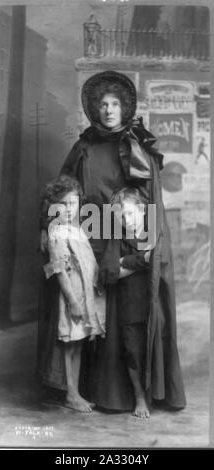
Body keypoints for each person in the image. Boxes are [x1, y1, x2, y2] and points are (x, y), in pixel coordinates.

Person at [39, 70, 186, 411]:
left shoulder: (136, 144)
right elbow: (60, 192)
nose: (108, 110)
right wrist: (48, 228)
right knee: (84, 314)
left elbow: (151, 201)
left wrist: (145, 248)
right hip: (87, 237)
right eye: (102, 104)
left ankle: (131, 395)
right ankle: (84, 390)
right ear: (95, 108)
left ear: (125, 108)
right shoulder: (84, 146)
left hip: (127, 237)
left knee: (128, 318)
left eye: (115, 104)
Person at [38, 174, 105, 412]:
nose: (68, 209)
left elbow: (87, 263)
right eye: (63, 204)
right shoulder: (57, 232)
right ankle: (71, 394)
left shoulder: (76, 229)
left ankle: (75, 393)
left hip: (85, 295)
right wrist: (74, 302)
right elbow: (58, 271)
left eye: (73, 203)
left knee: (79, 346)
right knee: (70, 346)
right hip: (71, 298)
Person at [99, 187, 151, 418]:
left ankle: (151, 394)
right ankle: (139, 397)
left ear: (141, 210)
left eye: (129, 214)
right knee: (132, 351)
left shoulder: (152, 233)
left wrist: (125, 262)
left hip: (150, 303)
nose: (125, 220)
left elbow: (158, 260)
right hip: (128, 305)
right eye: (120, 216)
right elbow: (109, 273)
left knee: (150, 348)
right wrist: (141, 260)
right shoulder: (118, 237)